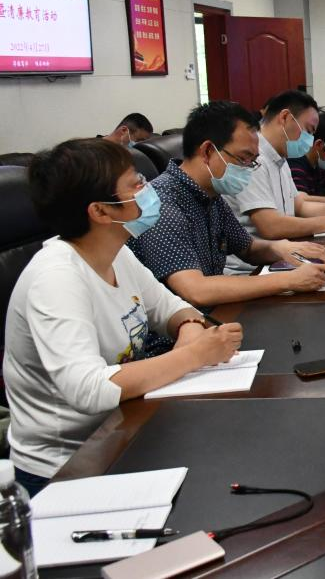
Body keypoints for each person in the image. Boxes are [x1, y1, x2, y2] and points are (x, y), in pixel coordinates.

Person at [5, 138, 243, 493]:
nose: (149, 190)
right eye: (136, 184)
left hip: (126, 427)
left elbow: (174, 308)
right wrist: (194, 355)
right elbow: (89, 389)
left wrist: (190, 333)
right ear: (101, 211)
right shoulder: (56, 278)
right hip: (68, 467)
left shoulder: (116, 252)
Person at [129, 101, 325, 306]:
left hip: (215, 310)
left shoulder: (211, 195)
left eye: (253, 161)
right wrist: (288, 280)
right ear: (207, 151)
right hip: (185, 321)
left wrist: (282, 248)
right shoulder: (162, 204)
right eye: (244, 158)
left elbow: (247, 248)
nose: (249, 169)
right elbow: (196, 290)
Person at [223, 91, 325, 272]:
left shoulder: (280, 158)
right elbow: (270, 226)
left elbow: (299, 206)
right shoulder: (254, 159)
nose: (309, 139)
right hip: (253, 269)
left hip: (282, 258)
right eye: (308, 131)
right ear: (285, 118)